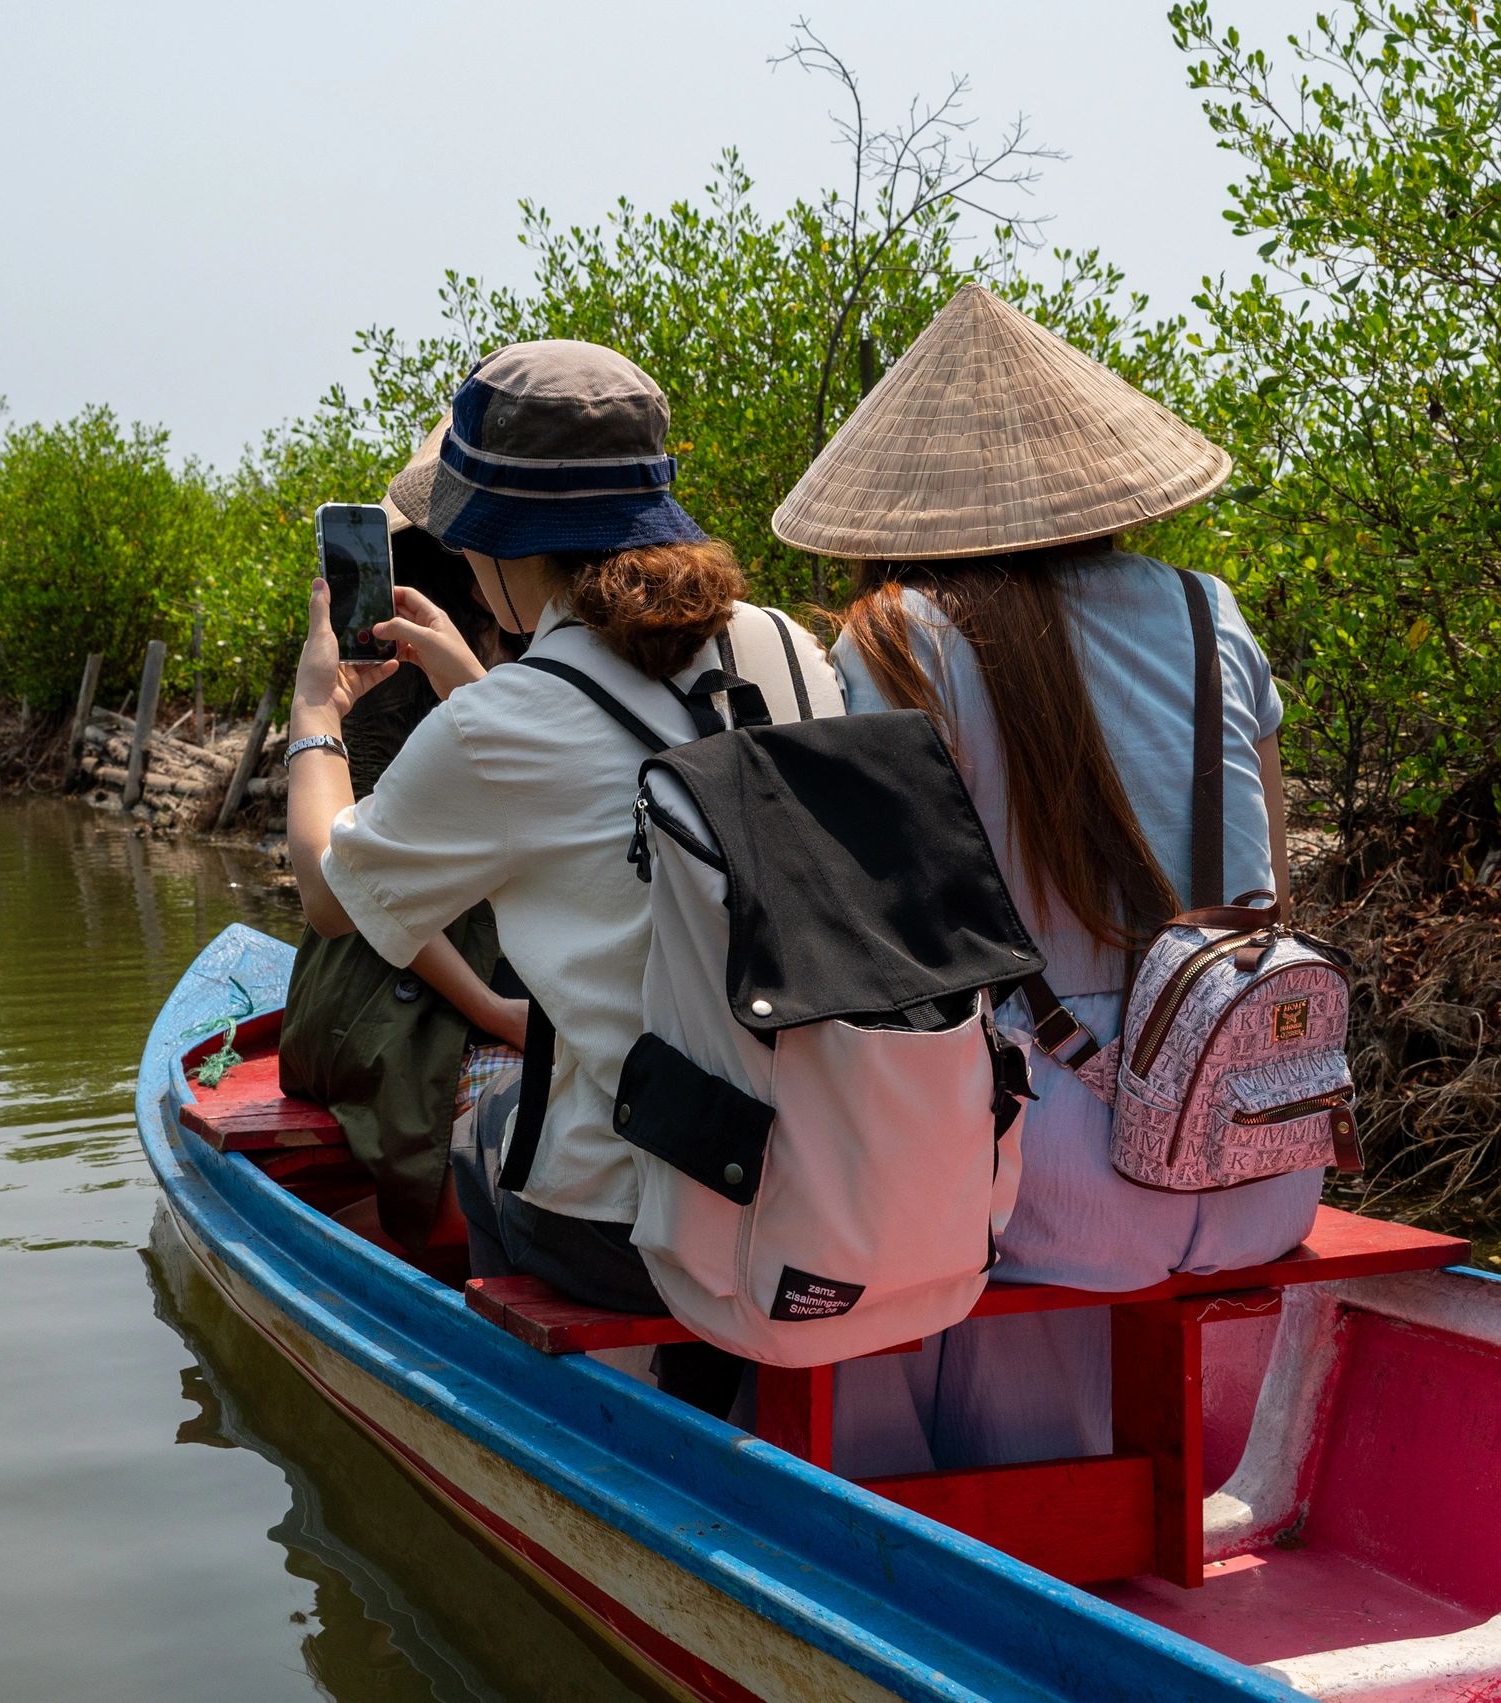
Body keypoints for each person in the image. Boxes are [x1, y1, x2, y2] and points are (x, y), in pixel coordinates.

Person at [779, 281, 1317, 1467]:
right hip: (1258, 1155)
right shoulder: (1205, 610)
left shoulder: (892, 639)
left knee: (857, 1112)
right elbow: (1269, 888)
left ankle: (899, 1509)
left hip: (1046, 1193)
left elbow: (870, 950)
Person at [282, 340, 841, 1414]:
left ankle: (599, 1411)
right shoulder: (787, 645)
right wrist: (474, 682)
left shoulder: (507, 719)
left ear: (487, 539)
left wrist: (315, 714)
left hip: (660, 1216)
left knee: (482, 1139)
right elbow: (605, 744)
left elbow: (324, 887)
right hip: (847, 1159)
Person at [279, 429, 526, 1264]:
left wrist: (313, 712)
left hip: (475, 958)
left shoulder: (470, 658)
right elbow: (383, 886)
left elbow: (340, 886)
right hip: (446, 954)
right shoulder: (429, 660)